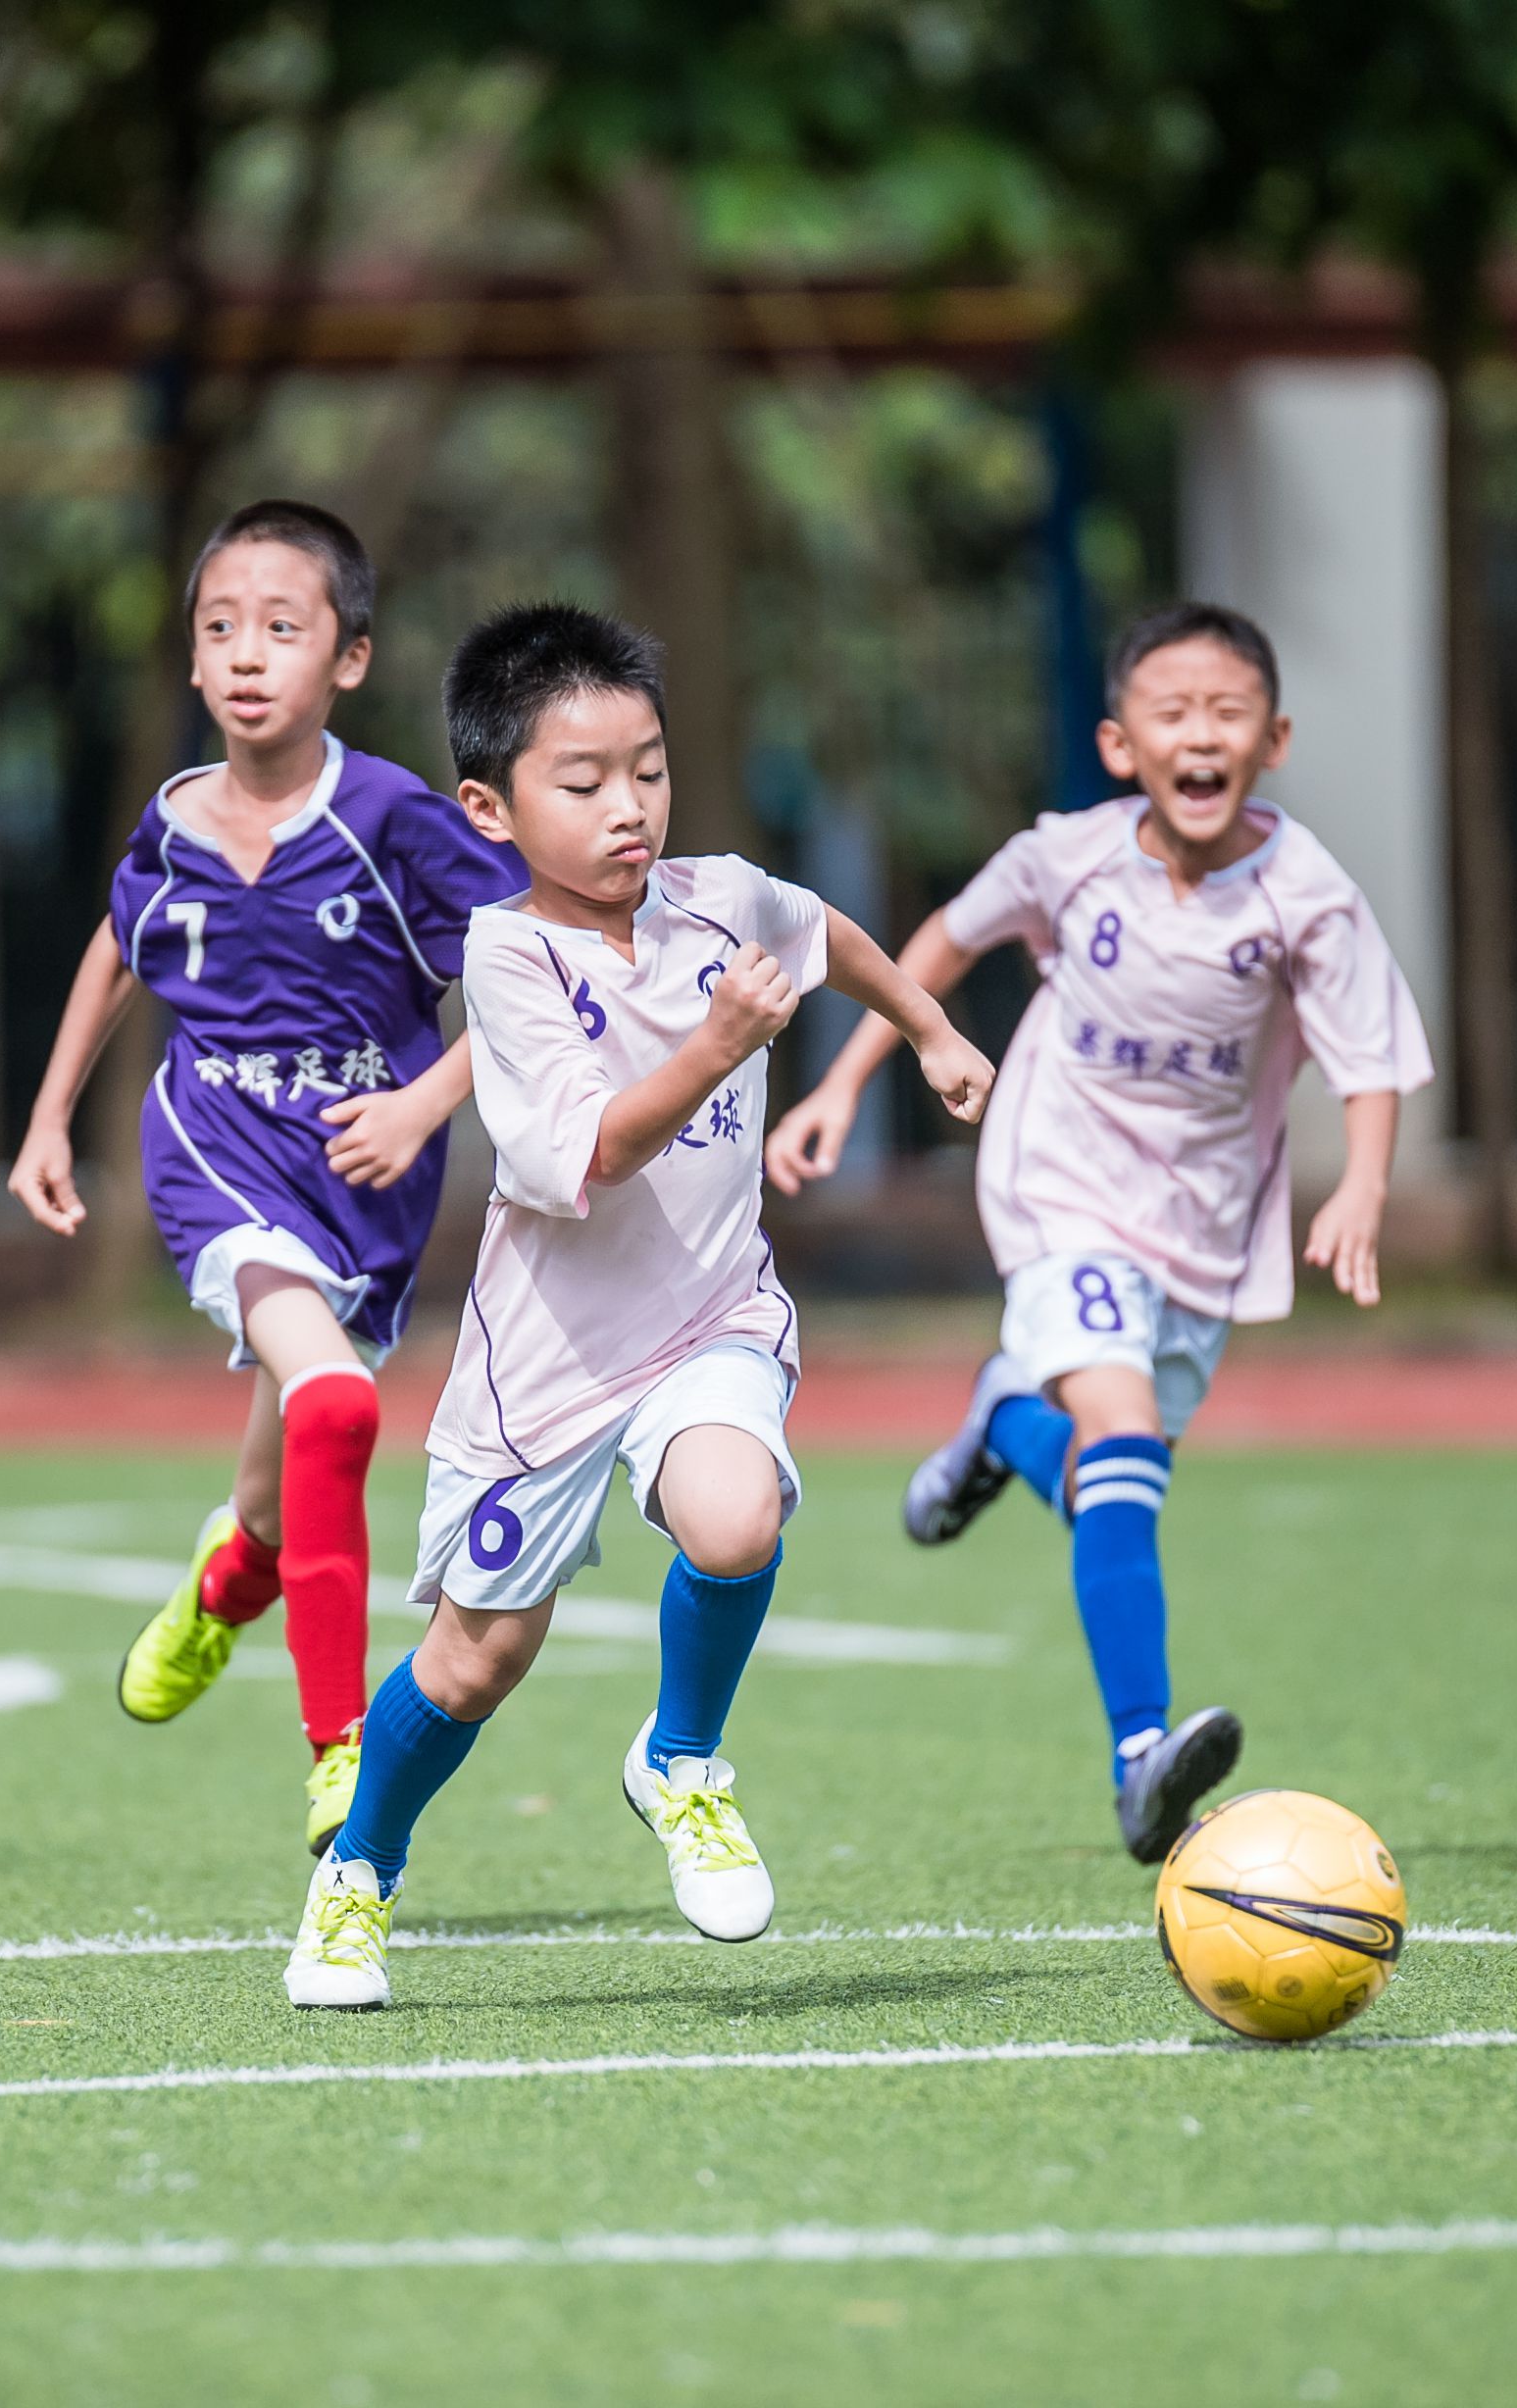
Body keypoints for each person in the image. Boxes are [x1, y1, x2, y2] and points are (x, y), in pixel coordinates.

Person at [284, 603, 993, 2010]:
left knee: (737, 1518)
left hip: (710, 1318)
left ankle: (681, 1762)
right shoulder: (506, 959)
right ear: (490, 806)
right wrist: (725, 1042)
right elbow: (592, 1153)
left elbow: (822, 930)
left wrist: (926, 1023)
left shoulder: (722, 895)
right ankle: (358, 1875)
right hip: (542, 1366)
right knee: (479, 1658)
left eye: (650, 769)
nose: (631, 809)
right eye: (584, 781)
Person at [768, 600, 1433, 1863]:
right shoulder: (1066, 856)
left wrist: (1364, 1185)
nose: (1201, 734)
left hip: (1206, 1222)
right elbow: (937, 948)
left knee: (1108, 1484)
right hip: (1057, 1180)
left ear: (1274, 738)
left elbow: (1370, 1056)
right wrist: (848, 1081)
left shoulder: (1307, 895)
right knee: (1123, 1443)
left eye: (1227, 713)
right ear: (1122, 744)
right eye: (1171, 712)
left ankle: (996, 1422)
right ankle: (1141, 1753)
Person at [9, 501, 518, 1856]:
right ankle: (340, 1749)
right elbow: (120, 947)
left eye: (280, 630)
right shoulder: (171, 822)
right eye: (220, 629)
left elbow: (540, 965)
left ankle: (227, 1582)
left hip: (364, 1176)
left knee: (277, 1486)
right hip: (213, 1148)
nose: (246, 655)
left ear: (347, 659)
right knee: (340, 1405)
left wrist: (422, 1104)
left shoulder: (394, 818)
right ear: (189, 660)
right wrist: (51, 1116)